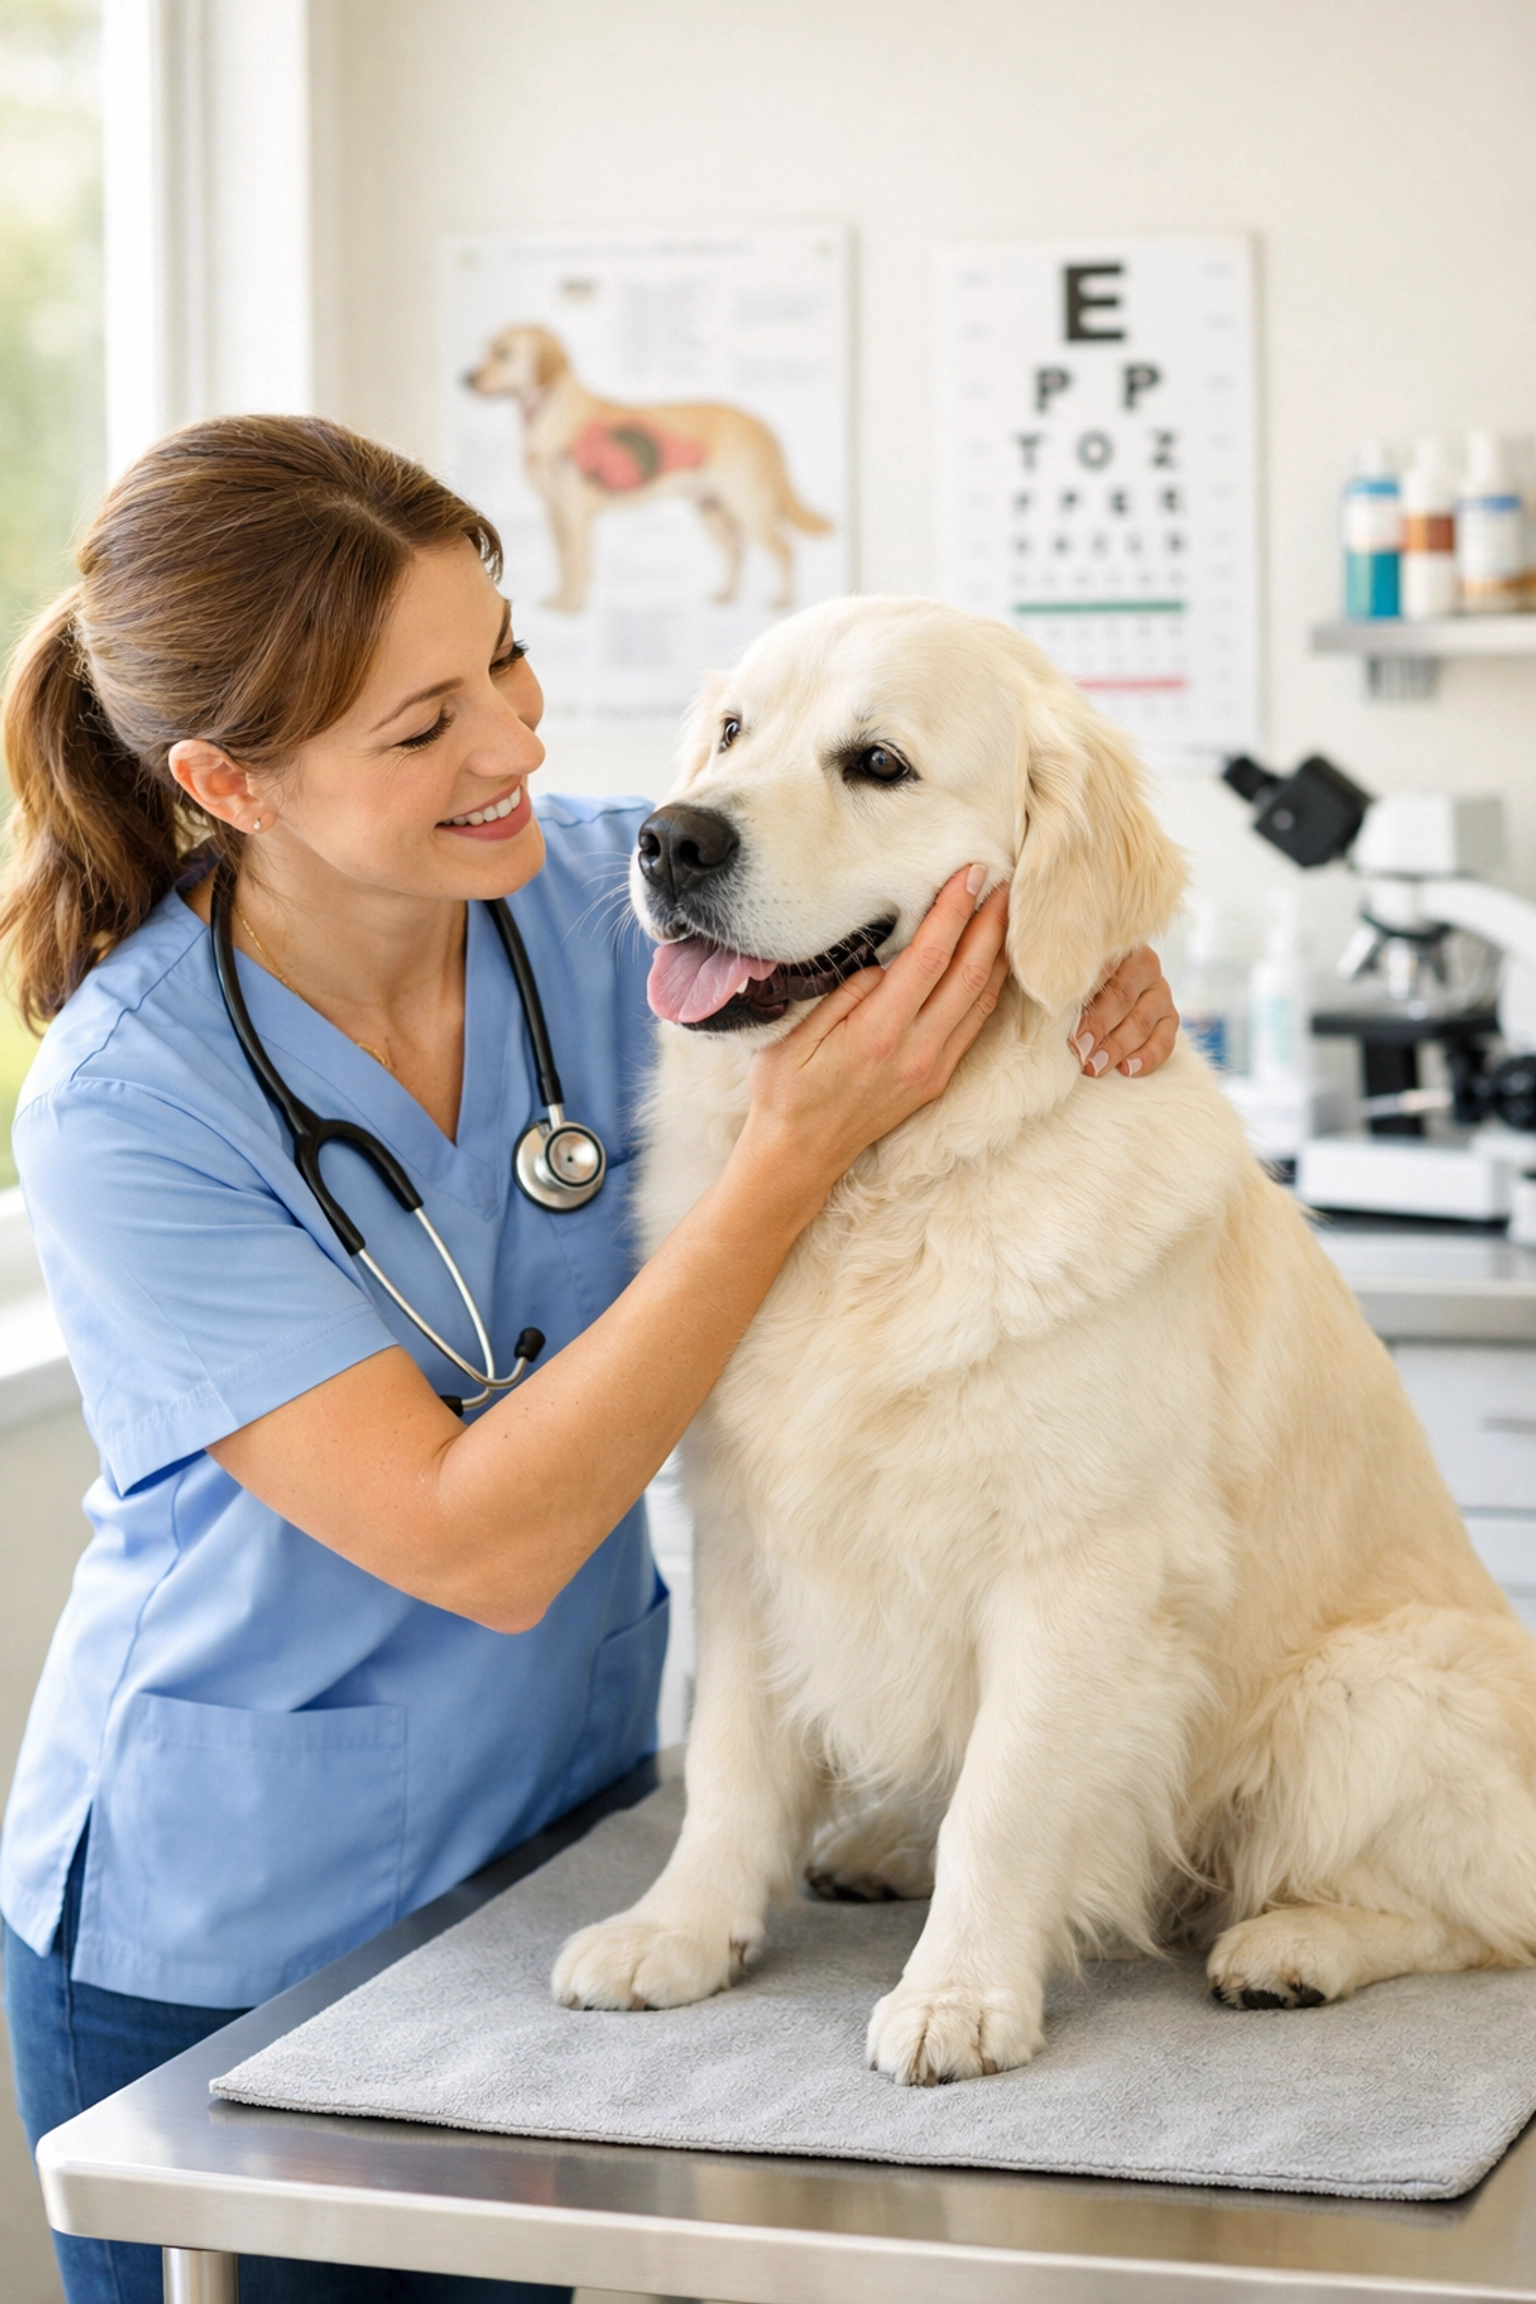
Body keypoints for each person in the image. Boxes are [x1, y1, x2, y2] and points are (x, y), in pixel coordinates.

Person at [0, 415, 1180, 2304]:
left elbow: (951, 873)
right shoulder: (127, 1108)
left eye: (508, 660)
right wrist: (784, 1160)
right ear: (227, 783)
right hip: (226, 1917)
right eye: (423, 727)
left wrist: (1094, 956)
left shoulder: (600, 894)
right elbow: (477, 1540)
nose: (516, 747)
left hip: (555, 1842)